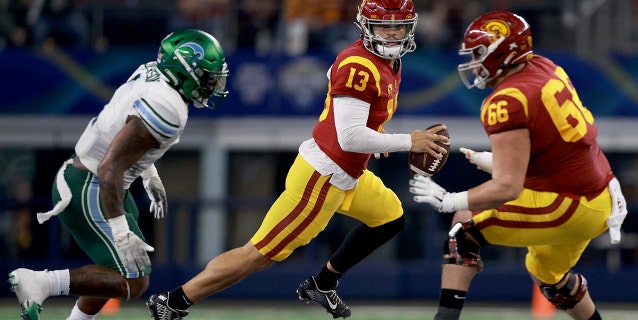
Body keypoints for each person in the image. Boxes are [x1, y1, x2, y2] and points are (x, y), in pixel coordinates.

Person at [146, 0, 449, 319]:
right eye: (384, 27)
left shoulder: (388, 62)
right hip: (323, 177)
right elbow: (349, 137)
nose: (392, 35)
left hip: (348, 172)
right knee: (257, 255)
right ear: (365, 27)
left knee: (389, 217)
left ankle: (324, 283)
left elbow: (351, 122)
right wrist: (406, 141)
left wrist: (377, 139)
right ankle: (174, 301)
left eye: (398, 26)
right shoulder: (360, 65)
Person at [408, 11, 628, 320]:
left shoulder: (506, 101)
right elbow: (553, 151)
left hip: (570, 203)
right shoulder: (544, 67)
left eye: (478, 53)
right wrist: (495, 162)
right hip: (599, 192)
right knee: (548, 276)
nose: (473, 62)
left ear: (502, 52)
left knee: (462, 228)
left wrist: (450, 200)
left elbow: (507, 187)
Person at [7, 29, 229, 320]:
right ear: (183, 71)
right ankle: (41, 282)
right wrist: (121, 231)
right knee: (134, 280)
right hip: (93, 186)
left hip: (97, 181)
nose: (212, 84)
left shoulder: (153, 73)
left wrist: (148, 173)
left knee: (113, 271)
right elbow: (110, 167)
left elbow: (123, 131)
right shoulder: (168, 107)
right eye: (206, 76)